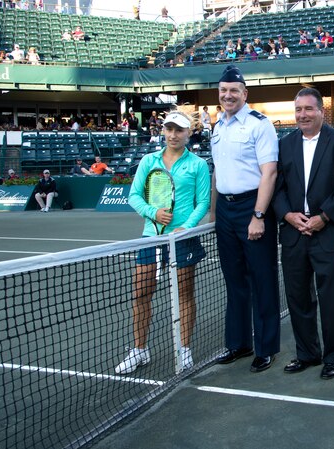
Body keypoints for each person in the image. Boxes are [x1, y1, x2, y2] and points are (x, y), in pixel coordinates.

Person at [114, 111, 211, 376]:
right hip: (151, 236)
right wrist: (152, 213)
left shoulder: (198, 165)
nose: (173, 135)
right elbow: (134, 196)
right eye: (169, 129)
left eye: (179, 130)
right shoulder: (148, 161)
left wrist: (185, 228)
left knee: (184, 294)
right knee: (141, 294)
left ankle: (184, 349)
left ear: (188, 133)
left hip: (182, 239)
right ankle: (139, 350)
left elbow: (202, 202)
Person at [272, 87, 334, 380]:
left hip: (328, 233)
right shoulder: (284, 145)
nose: (303, 115)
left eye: (309, 109)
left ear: (322, 111)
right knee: (298, 297)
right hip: (294, 233)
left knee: (332, 299)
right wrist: (287, 215)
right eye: (298, 110)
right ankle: (307, 353)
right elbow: (277, 186)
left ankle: (333, 356)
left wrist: (323, 217)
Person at [210, 65, 280, 373]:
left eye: (234, 91)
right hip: (225, 211)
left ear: (244, 94)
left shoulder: (259, 125)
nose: (228, 95)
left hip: (252, 206)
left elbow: (270, 172)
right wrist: (214, 212)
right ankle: (238, 343)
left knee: (262, 280)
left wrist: (258, 215)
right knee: (234, 281)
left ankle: (265, 348)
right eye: (223, 90)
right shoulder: (217, 126)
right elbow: (218, 172)